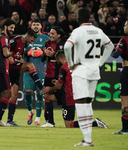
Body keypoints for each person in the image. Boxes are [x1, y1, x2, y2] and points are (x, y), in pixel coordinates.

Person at [64, 8, 114, 146]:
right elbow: (109, 46)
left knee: (80, 104)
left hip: (81, 71)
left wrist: (70, 63)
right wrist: (100, 63)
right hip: (94, 71)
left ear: (78, 18)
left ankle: (87, 140)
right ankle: (87, 139)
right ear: (90, 18)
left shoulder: (78, 31)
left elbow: (67, 47)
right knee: (87, 103)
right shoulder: (98, 31)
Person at [42, 50, 109, 128]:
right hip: (72, 94)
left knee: (69, 125)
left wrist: (49, 88)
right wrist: (58, 82)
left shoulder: (64, 67)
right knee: (47, 96)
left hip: (68, 97)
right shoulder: (77, 66)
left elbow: (59, 86)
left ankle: (95, 123)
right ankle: (50, 121)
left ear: (59, 59)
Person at [6, 29, 45, 126]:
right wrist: (8, 56)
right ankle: (42, 88)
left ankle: (9, 121)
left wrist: (26, 64)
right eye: (31, 41)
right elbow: (6, 48)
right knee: (30, 66)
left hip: (15, 68)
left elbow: (19, 57)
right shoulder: (16, 40)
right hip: (10, 67)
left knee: (14, 95)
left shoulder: (23, 45)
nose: (31, 43)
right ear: (27, 36)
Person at [23, 19, 50, 126]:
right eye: (33, 24)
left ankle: (37, 119)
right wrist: (27, 52)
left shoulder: (46, 38)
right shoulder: (26, 37)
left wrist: (43, 53)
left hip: (42, 70)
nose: (35, 26)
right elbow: (20, 50)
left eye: (37, 24)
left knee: (40, 93)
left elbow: (50, 51)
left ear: (41, 26)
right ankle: (30, 112)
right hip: (28, 70)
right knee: (27, 92)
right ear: (31, 25)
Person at [0, 18, 15, 126]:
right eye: (11, 27)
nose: (12, 30)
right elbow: (6, 53)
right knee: (8, 93)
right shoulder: (4, 37)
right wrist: (11, 53)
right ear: (5, 26)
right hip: (2, 68)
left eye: (14, 28)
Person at [41, 26, 66, 128]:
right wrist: (45, 53)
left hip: (61, 73)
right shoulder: (47, 43)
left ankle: (68, 118)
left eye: (52, 34)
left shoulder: (65, 44)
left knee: (64, 96)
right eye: (50, 33)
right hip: (49, 74)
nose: (50, 35)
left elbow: (65, 58)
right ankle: (49, 121)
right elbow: (43, 59)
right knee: (47, 94)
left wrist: (53, 54)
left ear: (59, 35)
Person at [111, 20, 128, 134]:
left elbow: (115, 54)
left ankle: (125, 129)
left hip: (127, 71)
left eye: (126, 25)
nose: (124, 27)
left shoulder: (124, 40)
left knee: (125, 101)